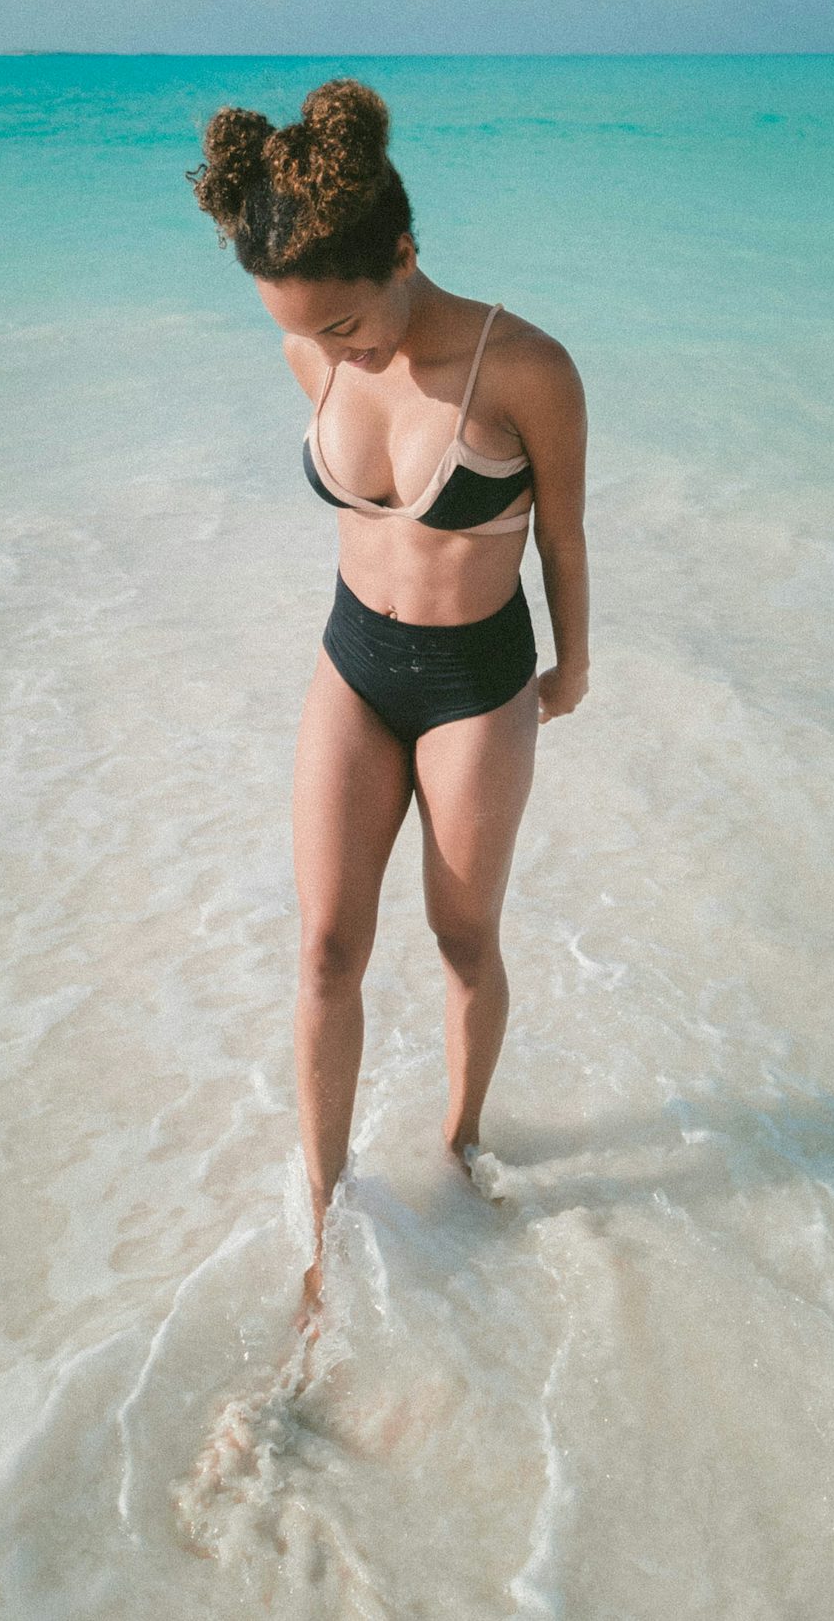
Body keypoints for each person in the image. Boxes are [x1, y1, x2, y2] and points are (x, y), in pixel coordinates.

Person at [190, 78, 590, 1321]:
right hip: (354, 660)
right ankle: (324, 1220)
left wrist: (573, 665)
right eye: (309, 330)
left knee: (463, 939)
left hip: (477, 680)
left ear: (404, 249)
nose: (337, 352)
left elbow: (564, 534)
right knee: (324, 948)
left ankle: (462, 1145)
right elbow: (329, 384)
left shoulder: (525, 366)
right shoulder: (304, 337)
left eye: (352, 325)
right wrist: (324, 342)